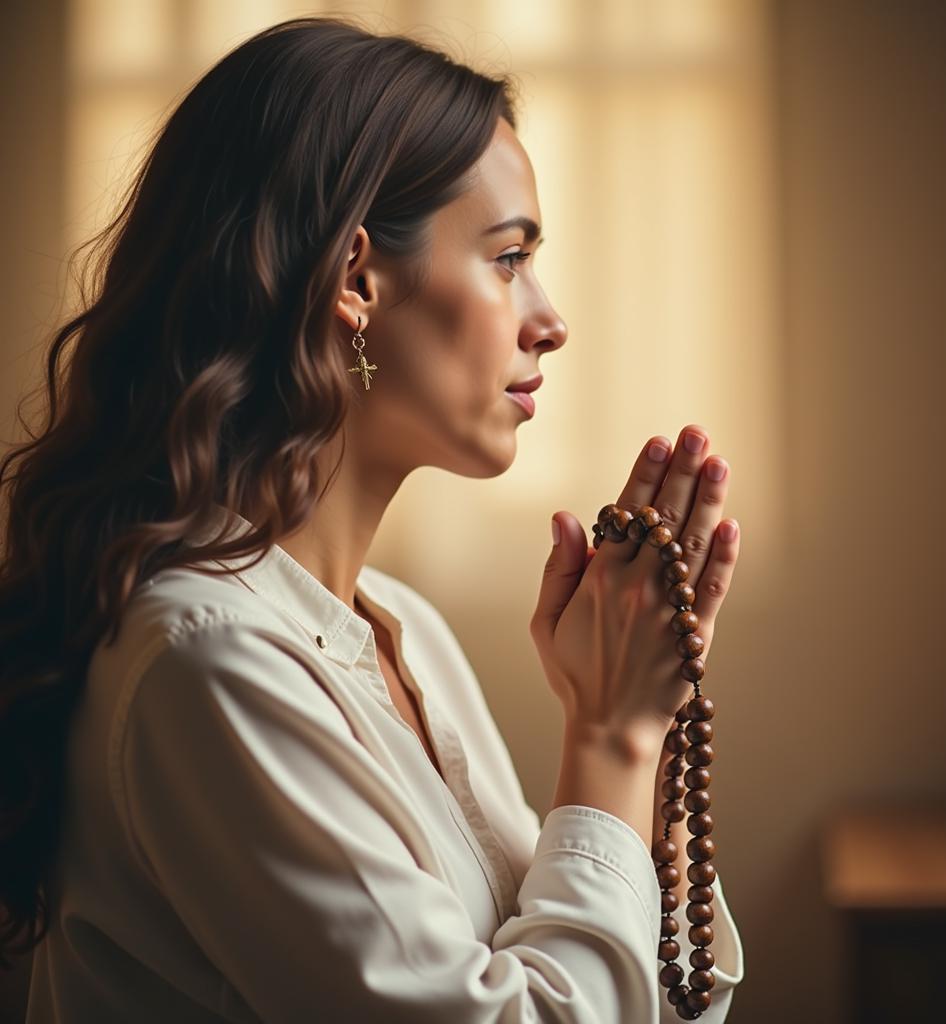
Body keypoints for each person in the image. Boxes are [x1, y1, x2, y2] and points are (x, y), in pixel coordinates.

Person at [0, 15, 744, 1023]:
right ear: (355, 280)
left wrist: (635, 732)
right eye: (507, 256)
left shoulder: (405, 634)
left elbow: (634, 993)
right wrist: (608, 737)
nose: (549, 318)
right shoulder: (210, 664)